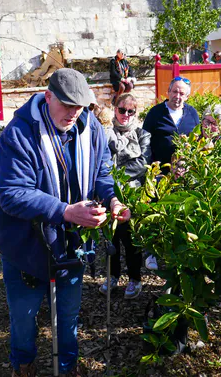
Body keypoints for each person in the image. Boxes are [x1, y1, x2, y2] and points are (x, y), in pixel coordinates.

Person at [0, 68, 131, 377]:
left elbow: (102, 174)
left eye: (80, 106)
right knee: (24, 316)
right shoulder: (19, 133)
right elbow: (11, 194)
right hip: (25, 246)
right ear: (48, 96)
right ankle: (23, 364)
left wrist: (112, 200)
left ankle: (66, 366)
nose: (73, 113)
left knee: (67, 314)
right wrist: (66, 211)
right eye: (66, 104)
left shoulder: (90, 127)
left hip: (71, 245)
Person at [101, 93, 151, 300]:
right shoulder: (104, 133)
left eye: (131, 111)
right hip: (107, 191)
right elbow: (101, 160)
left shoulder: (142, 134)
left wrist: (117, 176)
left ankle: (134, 277)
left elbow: (143, 163)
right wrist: (109, 183)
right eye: (122, 110)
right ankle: (112, 276)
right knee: (110, 237)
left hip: (132, 192)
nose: (126, 115)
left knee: (131, 239)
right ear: (115, 109)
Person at [142, 76, 200, 169]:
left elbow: (198, 139)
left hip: (184, 172)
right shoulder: (155, 112)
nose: (177, 96)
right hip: (160, 172)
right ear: (168, 92)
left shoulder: (192, 113)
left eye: (181, 94)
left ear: (187, 97)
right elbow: (144, 141)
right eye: (175, 92)